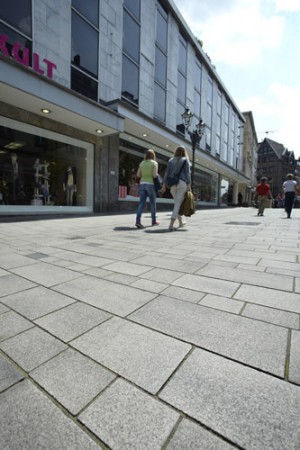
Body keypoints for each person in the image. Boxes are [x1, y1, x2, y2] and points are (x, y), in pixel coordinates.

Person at [160, 146, 191, 231]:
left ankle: (180, 222)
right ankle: (171, 225)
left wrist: (164, 185)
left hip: (172, 184)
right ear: (184, 152)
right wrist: (189, 185)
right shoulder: (185, 160)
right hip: (182, 183)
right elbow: (188, 174)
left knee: (177, 203)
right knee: (177, 204)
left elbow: (166, 173)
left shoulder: (171, 160)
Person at [135, 149, 159, 228]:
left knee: (141, 203)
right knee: (152, 204)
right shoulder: (154, 163)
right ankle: (153, 221)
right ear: (153, 156)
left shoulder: (142, 163)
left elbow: (138, 175)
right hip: (150, 184)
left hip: (142, 184)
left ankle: (138, 221)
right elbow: (154, 175)